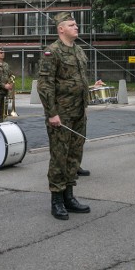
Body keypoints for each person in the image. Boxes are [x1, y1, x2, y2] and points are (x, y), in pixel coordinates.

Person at [37, 11, 92, 220]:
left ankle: (69, 196)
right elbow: (45, 85)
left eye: (76, 24)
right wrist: (52, 113)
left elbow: (81, 79)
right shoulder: (52, 52)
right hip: (61, 114)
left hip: (78, 112)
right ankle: (57, 200)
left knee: (74, 156)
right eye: (72, 25)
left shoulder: (78, 50)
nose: (76, 27)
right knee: (59, 157)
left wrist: (85, 103)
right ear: (61, 29)